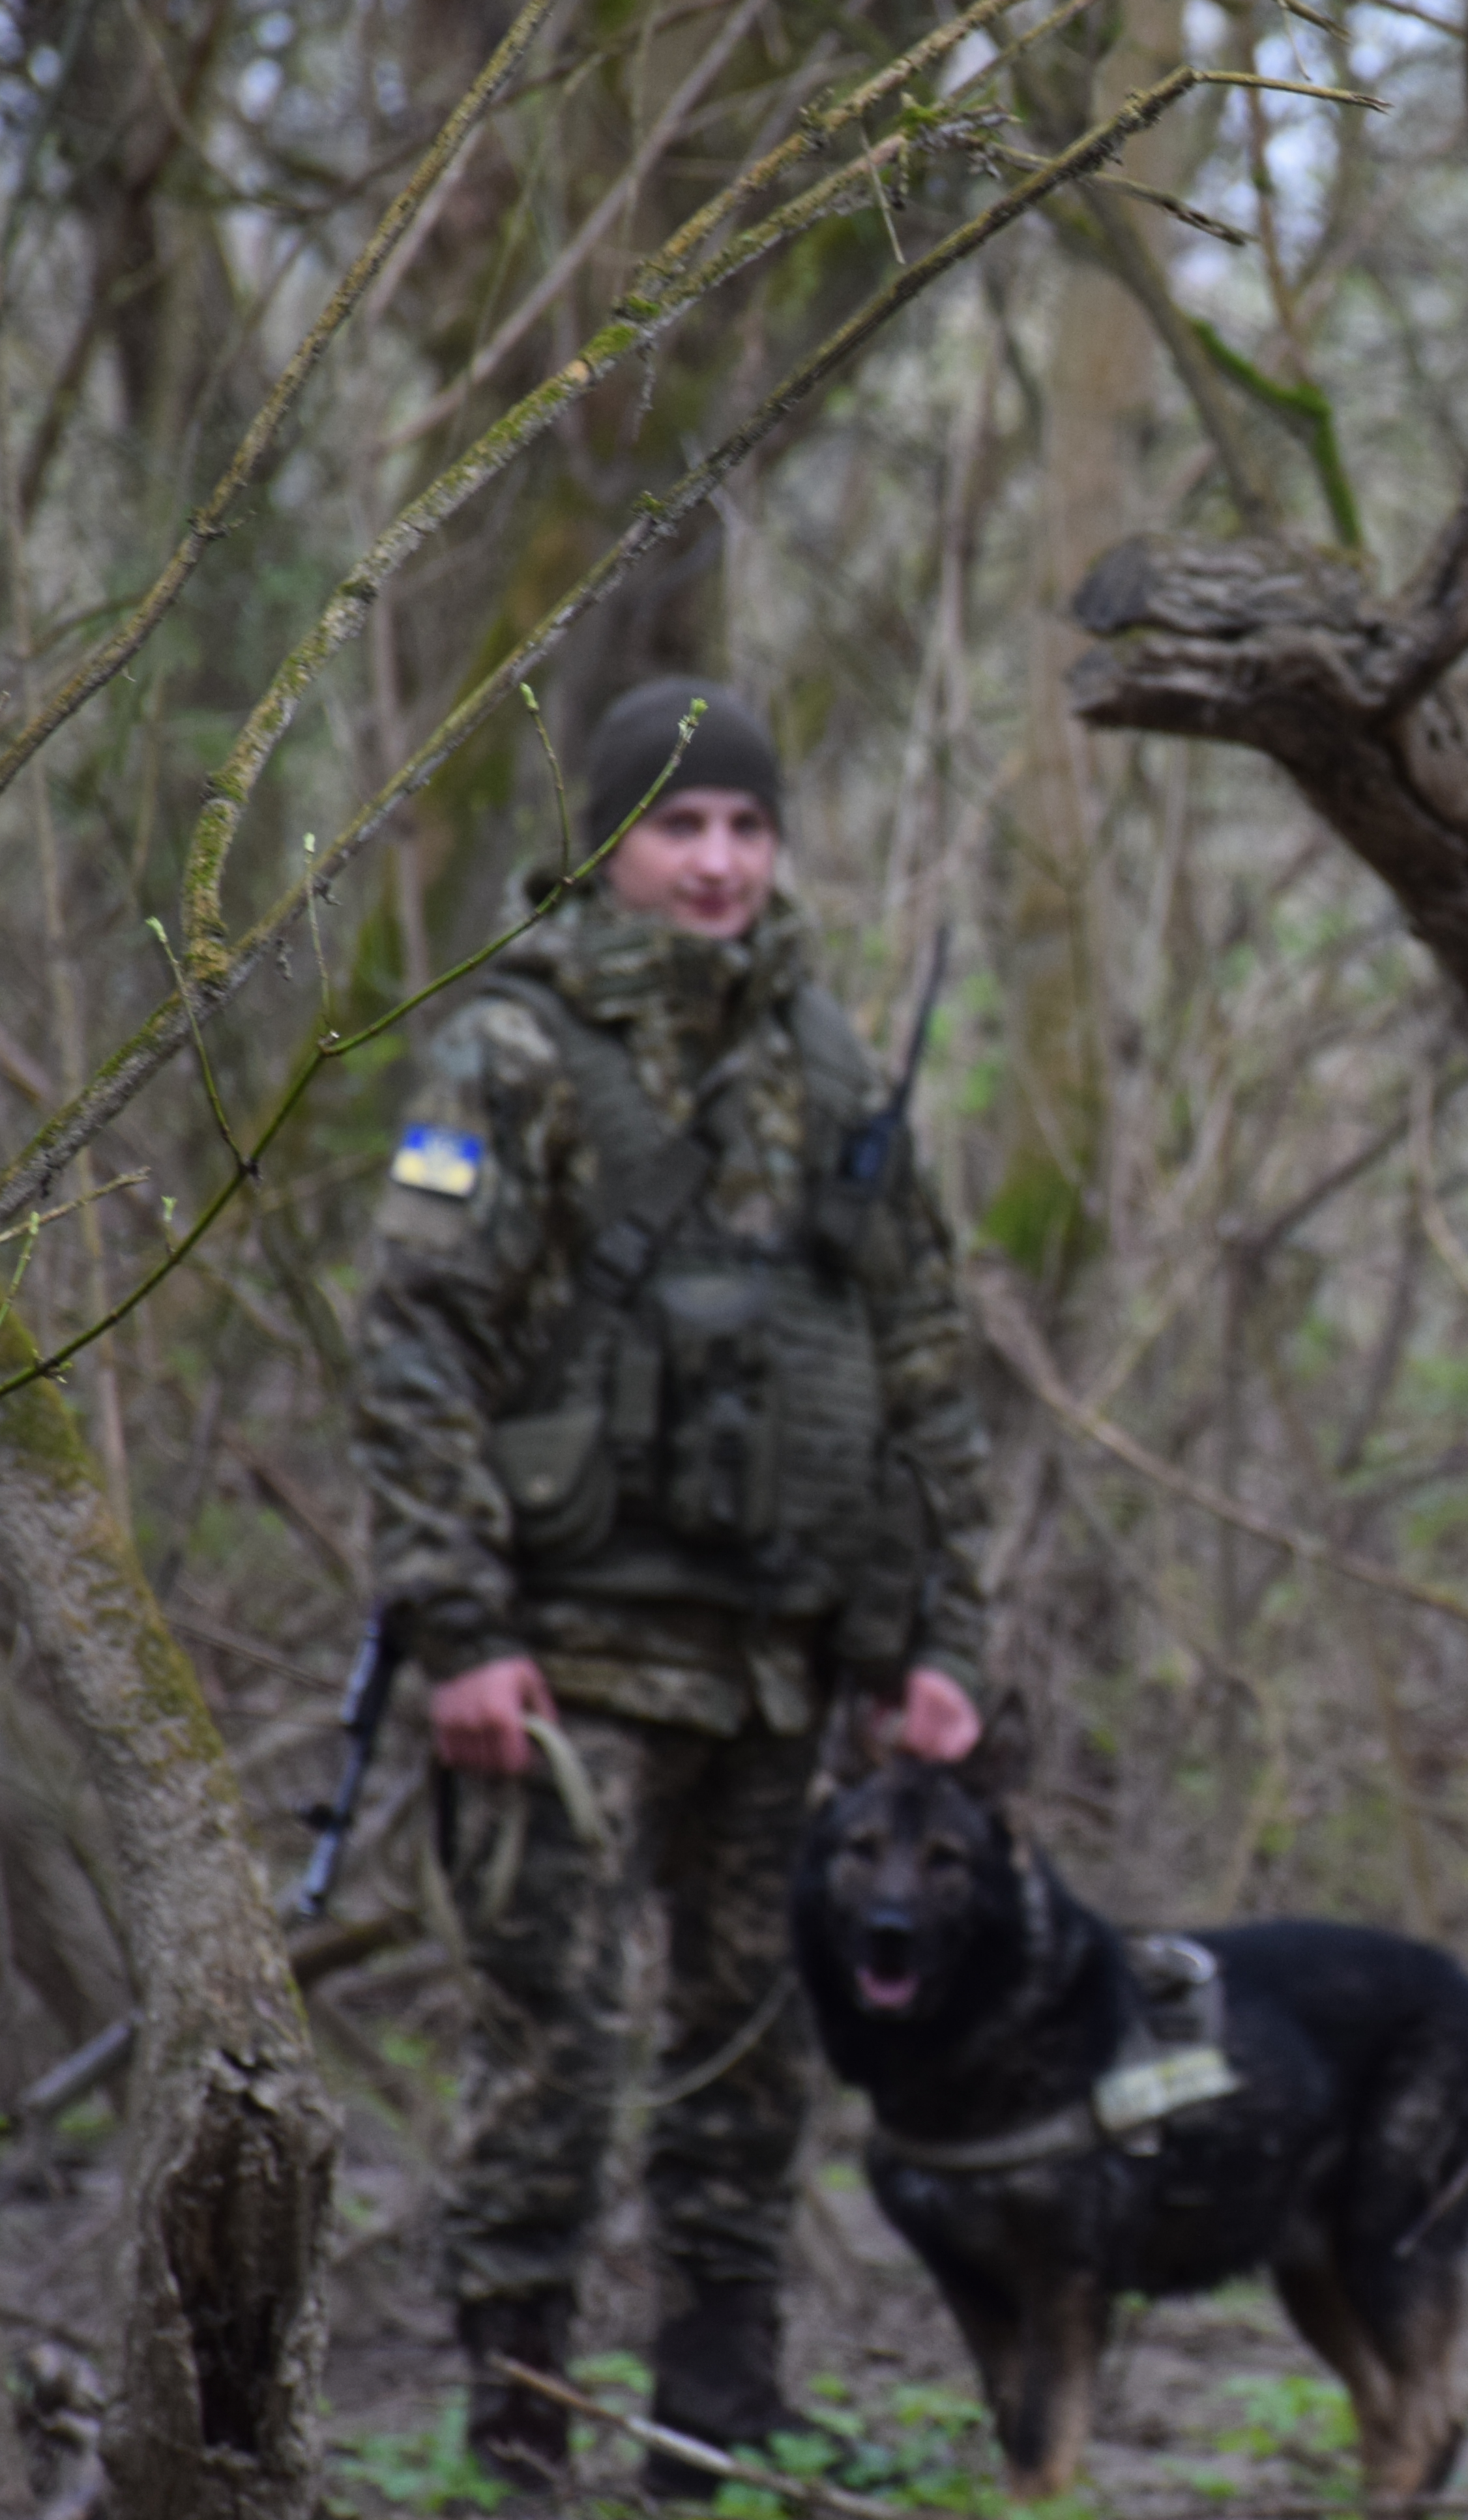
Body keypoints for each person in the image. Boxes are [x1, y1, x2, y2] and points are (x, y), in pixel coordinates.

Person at [353, 675, 995, 2494]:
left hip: (779, 1657)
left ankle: (715, 2421)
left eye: (743, 827)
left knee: (749, 2053)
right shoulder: (514, 1054)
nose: (716, 862)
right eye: (678, 826)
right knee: (549, 2042)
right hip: (562, 1656)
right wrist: (461, 1631)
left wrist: (941, 1638)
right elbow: (414, 1354)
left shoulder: (830, 1058)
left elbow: (920, 1359)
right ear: (612, 845)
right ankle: (525, 2428)